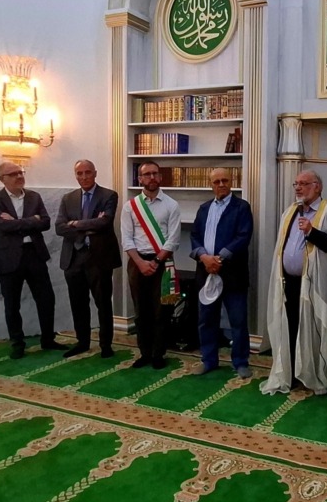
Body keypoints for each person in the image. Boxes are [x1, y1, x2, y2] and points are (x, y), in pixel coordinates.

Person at [261, 170, 327, 395]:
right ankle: (292, 373)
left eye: (303, 183)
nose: (298, 188)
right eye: (296, 184)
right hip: (289, 282)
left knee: (313, 330)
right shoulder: (290, 211)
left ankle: (314, 374)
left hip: (317, 285)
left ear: (317, 186)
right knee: (291, 327)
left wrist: (312, 232)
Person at [0, 161, 67, 359]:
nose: (19, 176)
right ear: (2, 179)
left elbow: (45, 223)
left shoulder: (34, 197)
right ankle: (17, 343)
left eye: (21, 172)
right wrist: (32, 221)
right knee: (12, 304)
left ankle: (48, 339)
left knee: (46, 299)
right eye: (13, 174)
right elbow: (3, 226)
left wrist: (17, 222)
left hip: (34, 254)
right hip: (8, 258)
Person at [190, 167, 254, 378]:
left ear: (231, 181)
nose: (221, 184)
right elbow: (194, 236)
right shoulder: (204, 208)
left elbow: (243, 236)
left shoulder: (241, 207)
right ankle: (208, 360)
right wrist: (203, 256)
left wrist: (219, 258)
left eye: (225, 180)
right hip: (206, 271)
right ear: (211, 185)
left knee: (238, 321)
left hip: (233, 274)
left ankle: (240, 362)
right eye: (216, 182)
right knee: (206, 319)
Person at [54, 159, 121, 358]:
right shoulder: (68, 198)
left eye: (88, 172)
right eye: (79, 173)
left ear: (95, 173)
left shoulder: (109, 195)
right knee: (78, 303)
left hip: (99, 258)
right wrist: (86, 228)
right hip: (73, 258)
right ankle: (82, 342)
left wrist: (75, 224)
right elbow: (59, 227)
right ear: (76, 175)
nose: (84, 177)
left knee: (103, 303)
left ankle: (105, 345)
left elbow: (105, 222)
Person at [121, 160, 181, 369]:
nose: (152, 177)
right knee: (141, 310)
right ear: (140, 179)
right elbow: (126, 239)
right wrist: (140, 262)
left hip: (162, 263)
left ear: (160, 177)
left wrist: (155, 261)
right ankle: (144, 353)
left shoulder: (171, 205)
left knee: (162, 311)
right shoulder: (130, 206)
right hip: (137, 263)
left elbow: (173, 239)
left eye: (155, 173)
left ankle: (158, 354)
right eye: (147, 174)